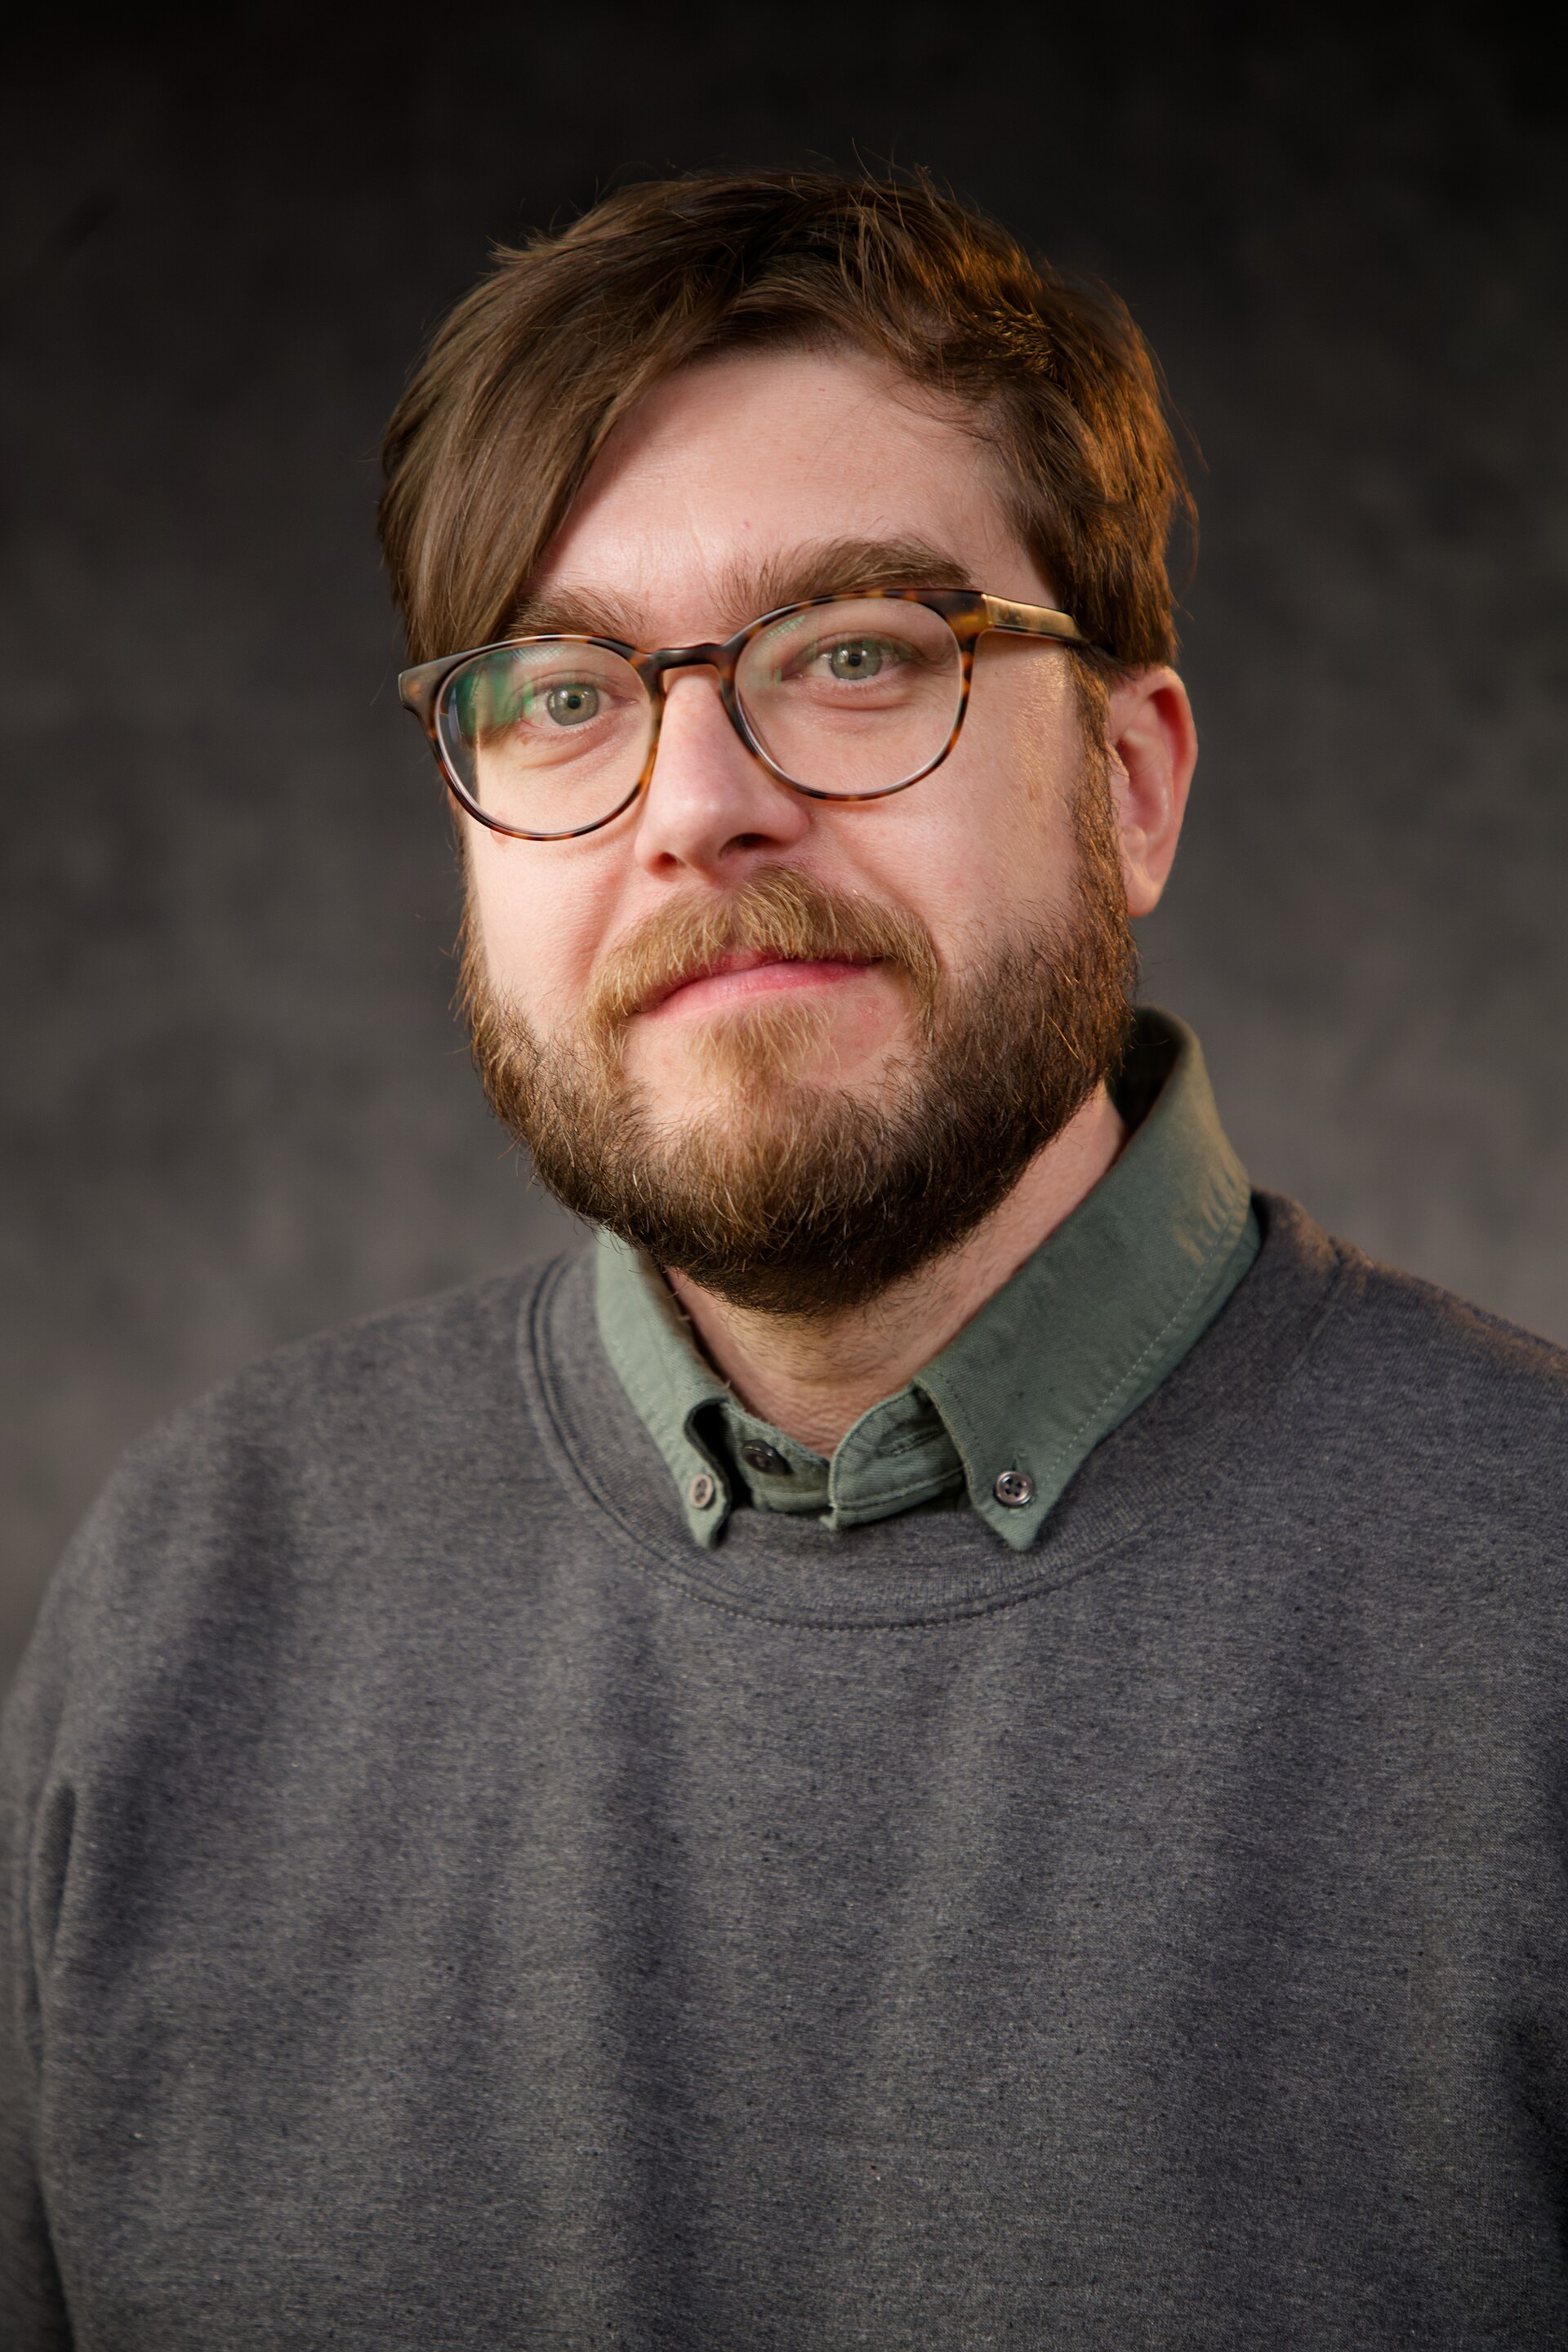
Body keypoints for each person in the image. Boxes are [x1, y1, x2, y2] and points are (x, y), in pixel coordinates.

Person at [3, 170, 1565, 2350]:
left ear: (1131, 783)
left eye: (852, 658)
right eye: (564, 694)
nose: (693, 801)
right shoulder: (188, 1600)